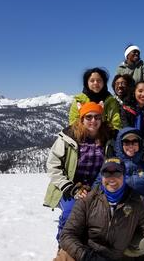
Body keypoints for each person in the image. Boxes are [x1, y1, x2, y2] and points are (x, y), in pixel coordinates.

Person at [58, 157, 144, 261]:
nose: (111, 178)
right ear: (102, 177)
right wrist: (87, 256)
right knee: (64, 256)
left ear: (124, 176)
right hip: (88, 254)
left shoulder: (138, 202)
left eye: (117, 172)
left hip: (117, 257)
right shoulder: (88, 199)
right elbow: (67, 234)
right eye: (107, 173)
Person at [44, 102, 115, 242]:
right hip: (70, 187)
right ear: (81, 119)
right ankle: (64, 245)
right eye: (88, 117)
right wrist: (70, 188)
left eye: (97, 117)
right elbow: (53, 166)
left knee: (105, 214)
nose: (93, 121)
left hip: (97, 187)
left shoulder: (108, 138)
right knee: (72, 212)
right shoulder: (68, 138)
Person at [114, 127, 144, 217]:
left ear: (139, 144)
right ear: (120, 144)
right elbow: (100, 188)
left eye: (134, 142)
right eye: (126, 142)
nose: (131, 146)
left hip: (143, 213)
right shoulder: (113, 165)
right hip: (120, 214)